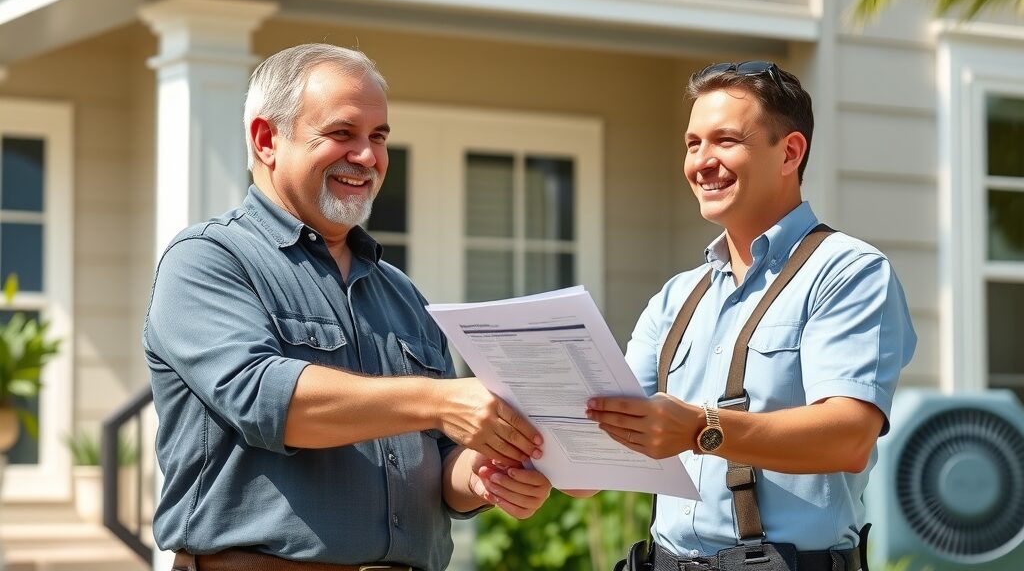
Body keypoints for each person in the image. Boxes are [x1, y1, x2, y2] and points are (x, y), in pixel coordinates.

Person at [144, 43, 555, 571]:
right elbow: (269, 401)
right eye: (343, 134)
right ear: (267, 140)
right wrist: (439, 399)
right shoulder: (207, 260)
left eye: (378, 138)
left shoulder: (401, 293)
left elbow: (440, 460)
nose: (367, 156)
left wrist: (483, 474)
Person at [587, 61, 917, 571]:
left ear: (789, 153)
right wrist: (521, 457)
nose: (702, 161)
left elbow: (850, 436)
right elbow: (604, 449)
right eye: (692, 143)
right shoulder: (676, 297)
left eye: (725, 140)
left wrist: (703, 428)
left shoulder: (848, 272)